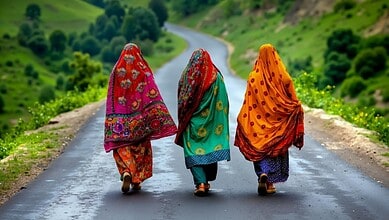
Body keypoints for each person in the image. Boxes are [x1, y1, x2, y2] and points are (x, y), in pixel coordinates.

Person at [104, 43, 177, 193]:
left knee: (122, 147)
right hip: (141, 120)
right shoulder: (143, 71)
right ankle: (136, 180)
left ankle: (126, 171)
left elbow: (111, 97)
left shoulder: (116, 71)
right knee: (141, 148)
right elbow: (152, 93)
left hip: (120, 121)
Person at [234, 43, 304, 195]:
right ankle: (271, 184)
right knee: (275, 150)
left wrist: (243, 120)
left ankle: (263, 174)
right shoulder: (283, 77)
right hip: (278, 123)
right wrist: (295, 107)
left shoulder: (253, 77)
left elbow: (249, 102)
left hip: (258, 123)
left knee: (260, 148)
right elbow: (292, 97)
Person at [175, 48, 231, 196]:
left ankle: (200, 183)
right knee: (210, 147)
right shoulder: (216, 76)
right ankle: (204, 181)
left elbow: (182, 99)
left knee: (193, 149)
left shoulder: (188, 76)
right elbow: (223, 101)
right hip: (212, 123)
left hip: (193, 123)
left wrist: (183, 119)